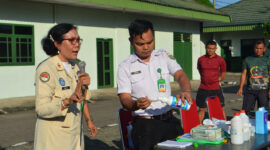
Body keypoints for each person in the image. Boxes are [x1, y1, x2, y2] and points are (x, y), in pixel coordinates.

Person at [117, 19, 192, 150]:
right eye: (140, 44)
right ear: (131, 41)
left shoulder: (164, 56)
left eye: (150, 42)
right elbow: (124, 99)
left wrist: (186, 90)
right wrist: (135, 104)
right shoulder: (125, 66)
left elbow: (180, 75)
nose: (146, 47)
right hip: (145, 127)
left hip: (170, 121)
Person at [34, 23, 97, 150]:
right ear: (57, 44)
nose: (77, 44)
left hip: (74, 134)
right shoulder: (46, 69)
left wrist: (89, 120)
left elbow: (81, 99)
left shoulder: (76, 66)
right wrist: (67, 101)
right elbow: (41, 109)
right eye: (71, 40)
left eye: (78, 40)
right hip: (54, 139)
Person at [237, 40, 270, 116]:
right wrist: (240, 88)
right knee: (245, 112)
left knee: (263, 112)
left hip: (263, 90)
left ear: (264, 49)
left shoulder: (267, 60)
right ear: (254, 48)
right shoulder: (248, 59)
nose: (258, 50)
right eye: (256, 48)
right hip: (250, 90)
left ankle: (262, 127)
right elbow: (244, 74)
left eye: (260, 48)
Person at [196, 41, 227, 123]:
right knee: (201, 109)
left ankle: (225, 128)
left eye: (213, 49)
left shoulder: (220, 60)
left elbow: (223, 71)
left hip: (216, 88)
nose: (210, 50)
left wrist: (220, 79)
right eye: (209, 48)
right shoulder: (200, 59)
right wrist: (205, 78)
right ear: (206, 48)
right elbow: (199, 70)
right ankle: (197, 127)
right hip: (203, 88)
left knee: (221, 108)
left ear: (216, 49)